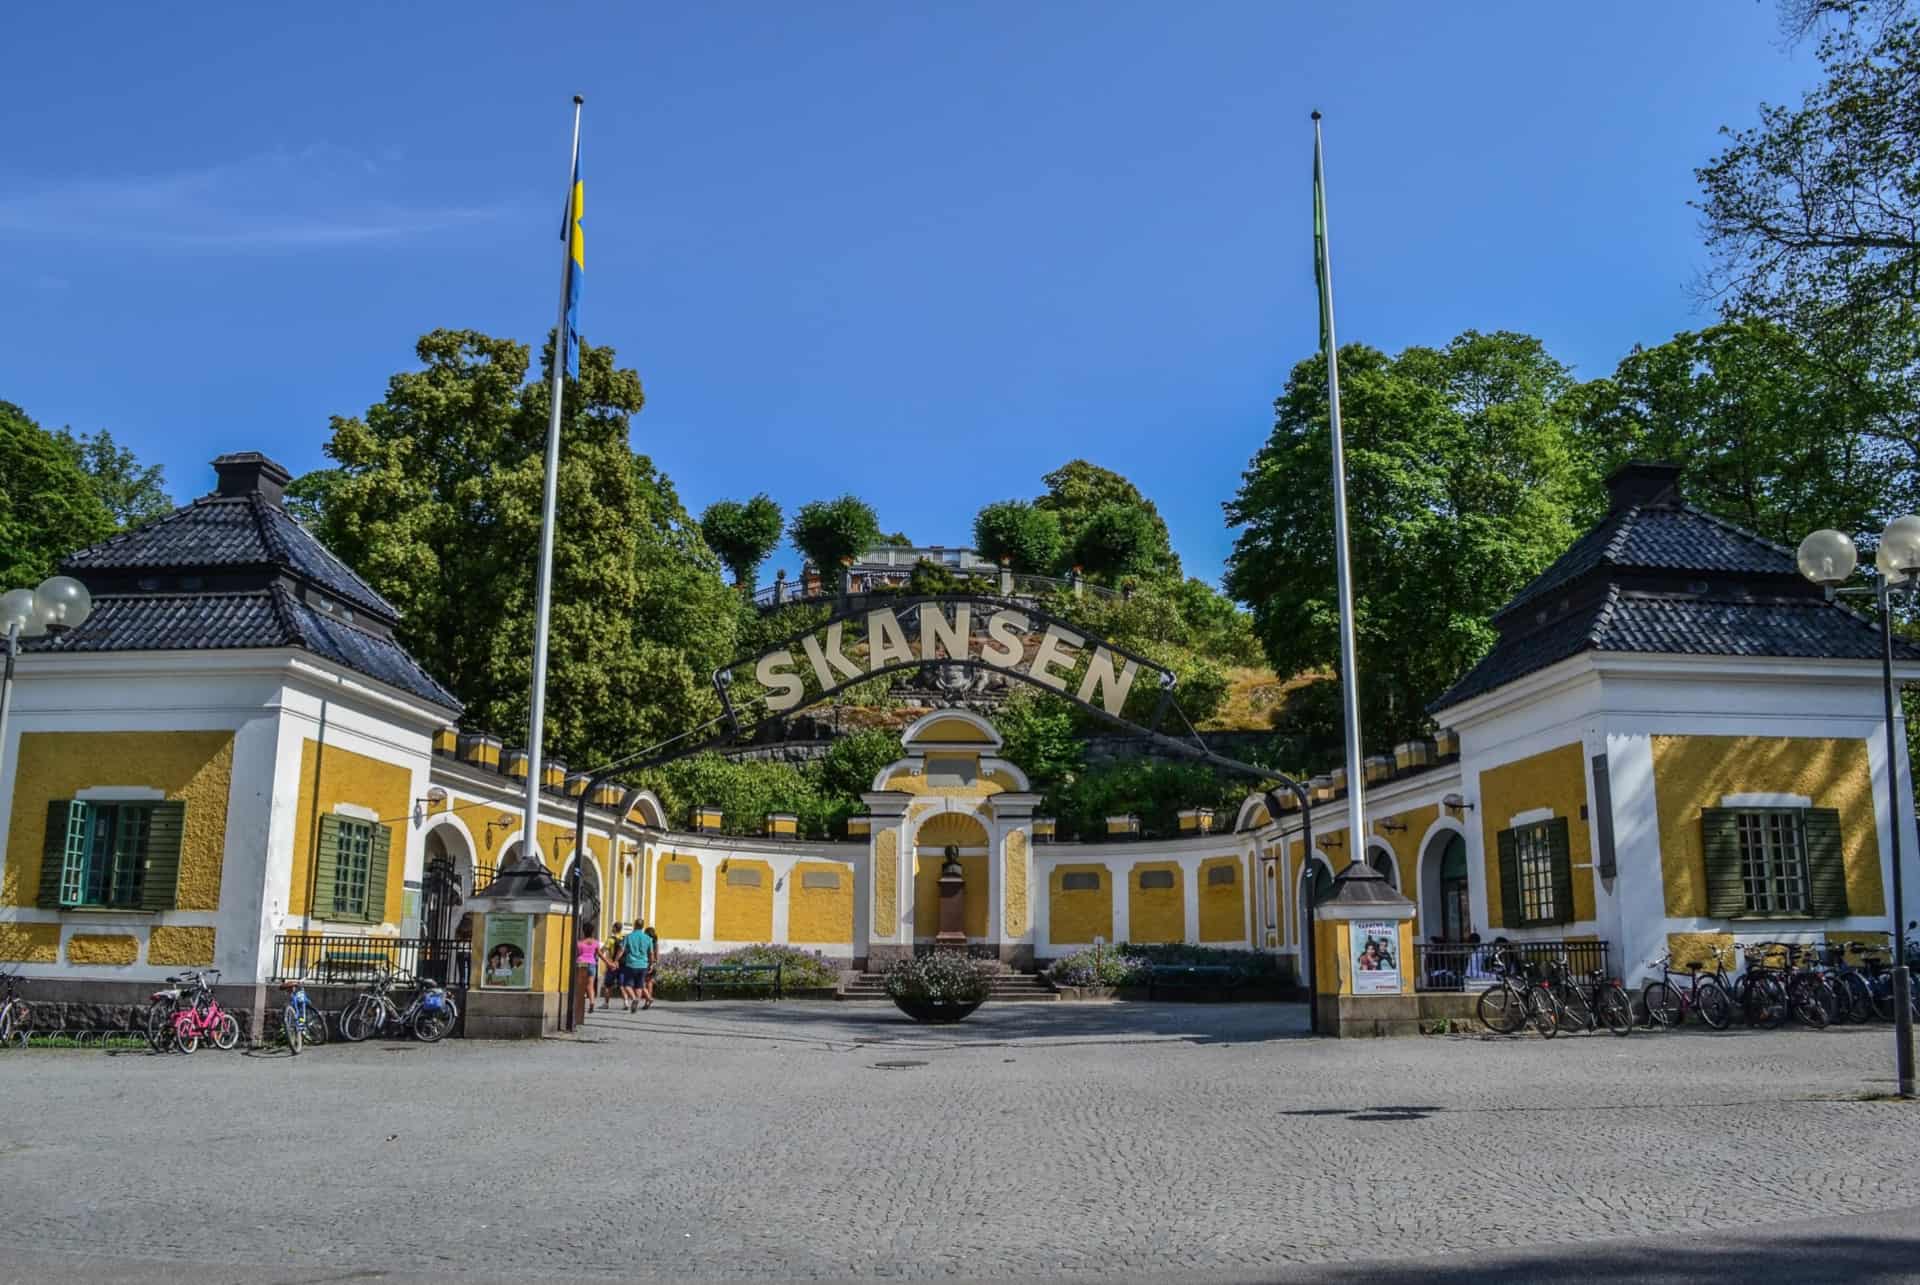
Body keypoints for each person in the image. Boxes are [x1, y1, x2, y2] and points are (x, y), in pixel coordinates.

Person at [619, 921, 653, 1012]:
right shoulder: (648, 938)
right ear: (642, 926)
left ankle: (634, 998)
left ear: (634, 925)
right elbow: (651, 953)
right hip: (643, 965)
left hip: (631, 964)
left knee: (626, 985)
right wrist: (651, 964)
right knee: (639, 985)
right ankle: (636, 1003)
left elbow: (621, 950)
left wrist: (615, 960)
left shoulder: (628, 937)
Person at [575, 925, 602, 1012]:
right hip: (591, 964)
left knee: (580, 985)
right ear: (592, 932)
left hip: (581, 964)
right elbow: (600, 954)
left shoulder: (580, 943)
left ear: (583, 931)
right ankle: (592, 1002)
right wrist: (609, 963)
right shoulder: (596, 943)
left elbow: (577, 953)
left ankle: (579, 1004)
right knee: (590, 985)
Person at [600, 924, 625, 1011]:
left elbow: (602, 950)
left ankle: (606, 1003)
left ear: (614, 928)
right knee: (622, 985)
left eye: (612, 927)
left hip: (612, 965)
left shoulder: (610, 939)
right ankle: (626, 1003)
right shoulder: (624, 938)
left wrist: (606, 960)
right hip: (622, 965)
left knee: (608, 985)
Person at [640, 923, 660, 1008]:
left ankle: (648, 998)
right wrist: (655, 963)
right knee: (650, 983)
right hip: (654, 964)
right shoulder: (656, 943)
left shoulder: (647, 942)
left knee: (642, 982)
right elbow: (657, 956)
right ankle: (647, 1002)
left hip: (647, 963)